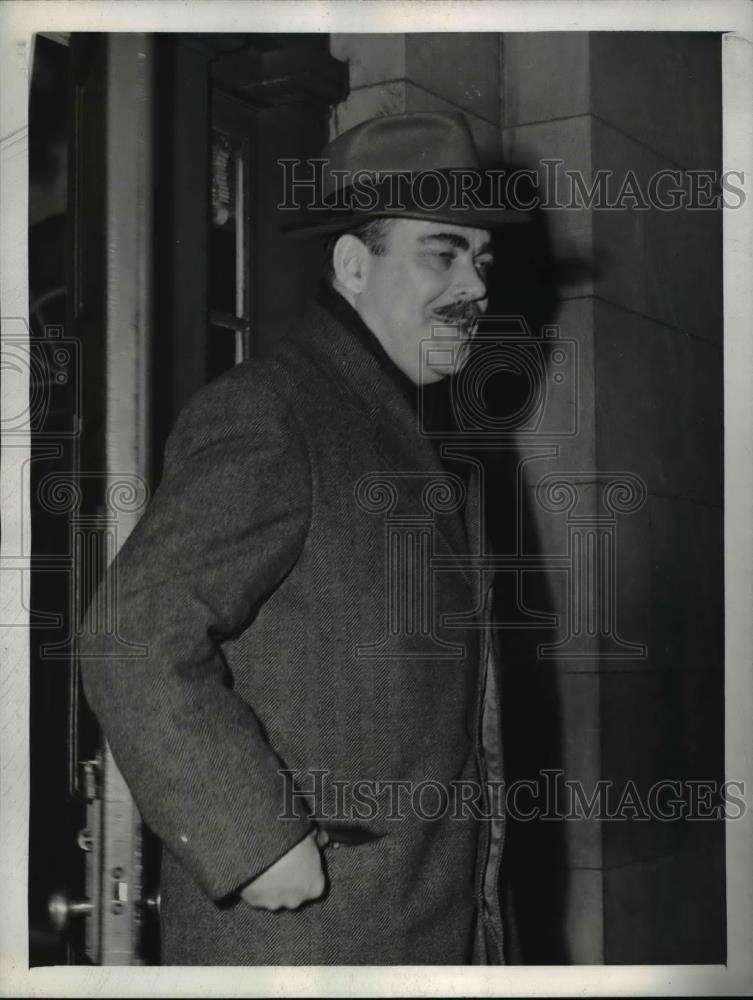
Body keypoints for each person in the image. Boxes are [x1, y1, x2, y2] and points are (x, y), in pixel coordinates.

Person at [80, 110, 526, 965]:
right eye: (442, 252)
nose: (475, 285)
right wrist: (251, 836)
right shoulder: (275, 409)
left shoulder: (401, 431)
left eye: (482, 257)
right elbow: (132, 635)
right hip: (307, 949)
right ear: (354, 264)